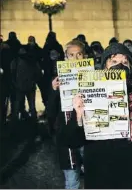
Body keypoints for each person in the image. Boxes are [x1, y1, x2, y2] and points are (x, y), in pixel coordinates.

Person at [59, 43, 132, 188]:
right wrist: (79, 115)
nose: (120, 66)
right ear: (105, 67)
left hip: (131, 172)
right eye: (114, 62)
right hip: (100, 171)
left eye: (125, 62)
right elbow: (71, 140)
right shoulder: (90, 95)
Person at [48, 40, 86, 189]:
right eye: (71, 55)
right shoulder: (57, 80)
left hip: (89, 137)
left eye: (79, 54)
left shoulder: (96, 77)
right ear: (65, 58)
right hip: (67, 139)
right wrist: (53, 90)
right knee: (72, 182)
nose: (76, 59)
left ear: (85, 56)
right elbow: (50, 111)